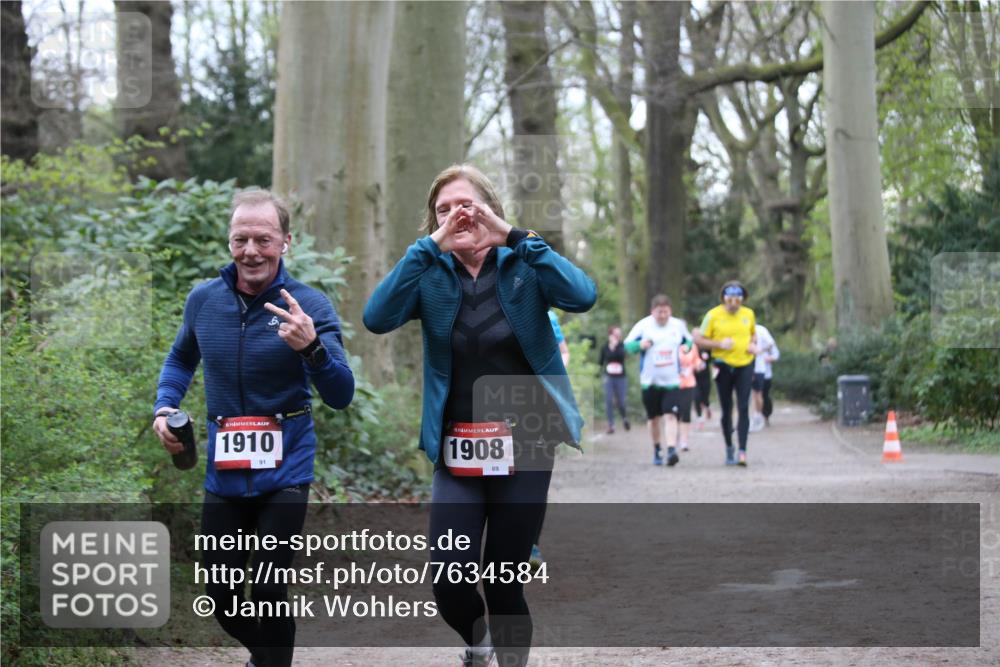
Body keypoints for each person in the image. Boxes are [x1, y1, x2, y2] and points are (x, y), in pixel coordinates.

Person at [363, 164, 596, 667]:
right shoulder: (430, 273)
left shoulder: (523, 262)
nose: (457, 216)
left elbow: (583, 295)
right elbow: (376, 318)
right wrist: (427, 248)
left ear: (489, 209)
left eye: (466, 206)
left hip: (527, 445)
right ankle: (478, 644)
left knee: (504, 581)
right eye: (443, 210)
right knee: (449, 581)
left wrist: (514, 236)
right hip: (458, 448)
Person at [152, 190, 355, 667]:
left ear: (286, 242)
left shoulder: (308, 305)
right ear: (229, 242)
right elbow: (181, 357)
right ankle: (267, 658)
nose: (251, 251)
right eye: (240, 239)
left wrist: (311, 349)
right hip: (226, 470)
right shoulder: (204, 300)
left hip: (287, 467)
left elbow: (341, 393)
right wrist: (164, 406)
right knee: (222, 597)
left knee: (267, 586)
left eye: (263, 239)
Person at [624, 295, 692, 467]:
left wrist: (686, 347)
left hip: (672, 381)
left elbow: (689, 340)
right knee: (653, 418)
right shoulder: (643, 325)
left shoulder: (678, 325)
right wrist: (639, 345)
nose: (662, 315)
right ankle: (657, 449)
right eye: (659, 312)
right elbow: (627, 345)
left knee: (671, 415)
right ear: (652, 311)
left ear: (670, 311)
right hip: (650, 382)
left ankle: (671, 450)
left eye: (665, 312)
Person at [693, 281, 756, 467]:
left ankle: (742, 451)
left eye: (738, 300)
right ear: (723, 298)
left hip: (745, 364)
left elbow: (753, 334)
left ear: (743, 299)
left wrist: (752, 344)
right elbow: (699, 339)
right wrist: (719, 344)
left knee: (743, 407)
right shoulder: (712, 315)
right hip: (722, 365)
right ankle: (729, 447)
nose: (734, 304)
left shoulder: (749, 314)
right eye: (730, 300)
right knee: (727, 408)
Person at [598, 325, 630, 434]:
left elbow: (623, 357)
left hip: (621, 378)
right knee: (608, 400)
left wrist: (616, 346)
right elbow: (600, 362)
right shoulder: (604, 347)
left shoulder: (622, 346)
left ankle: (624, 418)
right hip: (609, 377)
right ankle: (611, 425)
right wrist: (597, 375)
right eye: (616, 334)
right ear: (610, 335)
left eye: (619, 334)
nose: (618, 336)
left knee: (621, 401)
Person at [751, 323, 780, 430]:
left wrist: (761, 352)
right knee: (754, 394)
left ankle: (763, 415)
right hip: (748, 368)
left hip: (763, 370)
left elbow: (774, 351)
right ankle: (755, 416)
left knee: (762, 394)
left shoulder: (760, 330)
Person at [691, 327, 713, 429]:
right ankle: (700, 418)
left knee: (705, 397)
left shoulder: (706, 348)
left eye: (698, 335)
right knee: (696, 397)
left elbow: (712, 359)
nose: (696, 337)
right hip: (693, 377)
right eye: (694, 335)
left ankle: (707, 406)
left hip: (705, 376)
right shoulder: (689, 347)